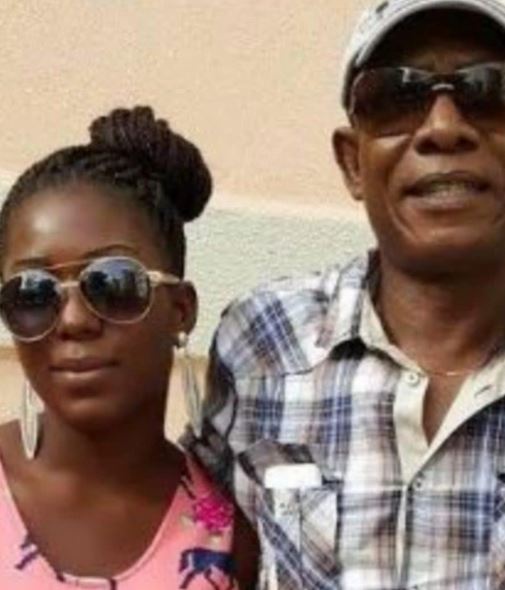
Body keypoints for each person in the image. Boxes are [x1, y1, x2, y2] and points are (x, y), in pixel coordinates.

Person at [186, 0, 505, 588]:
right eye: (398, 96)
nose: (443, 128)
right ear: (353, 162)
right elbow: (191, 541)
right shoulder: (262, 339)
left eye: (488, 90)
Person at [0, 106, 257, 589]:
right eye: (33, 293)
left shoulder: (226, 538)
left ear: (180, 309)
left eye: (113, 283)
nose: (73, 320)